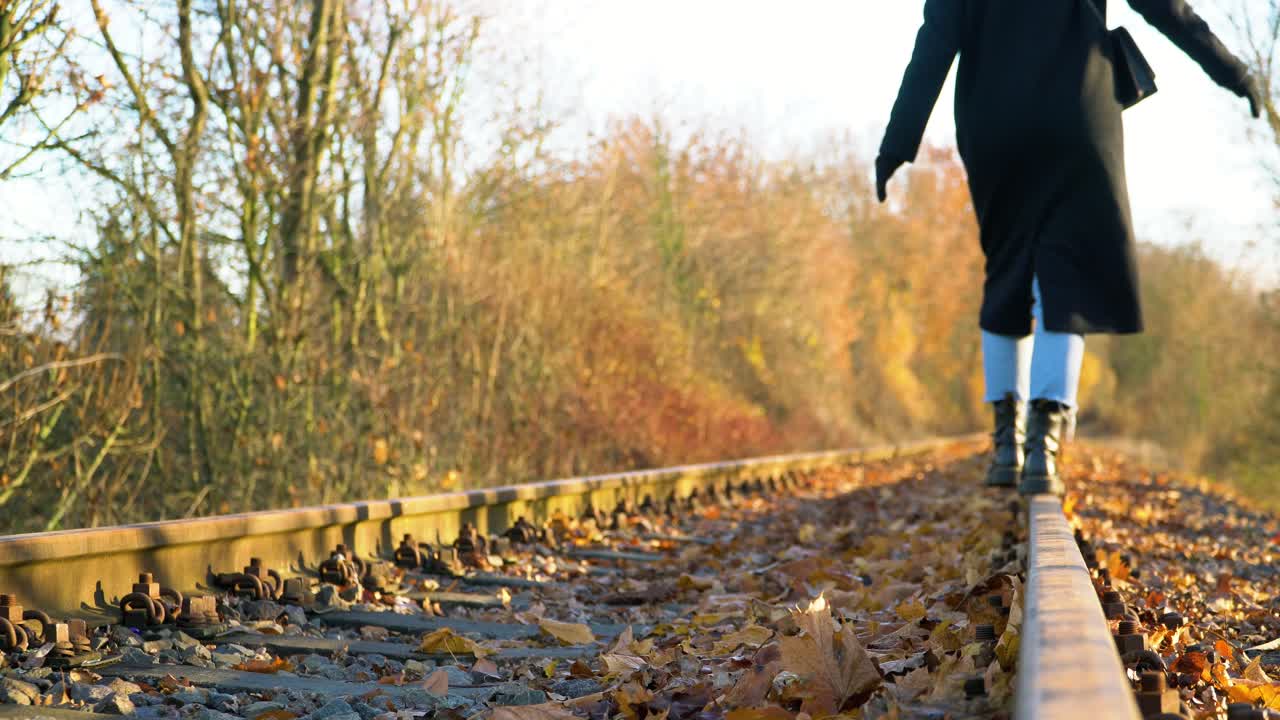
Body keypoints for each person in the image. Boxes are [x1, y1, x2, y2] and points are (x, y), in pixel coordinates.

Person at [877, 0, 1262, 496]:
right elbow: (1169, 10)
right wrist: (1232, 71)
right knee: (1068, 279)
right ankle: (1044, 447)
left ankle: (1005, 446)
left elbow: (933, 46)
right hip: (1078, 116)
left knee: (1007, 271)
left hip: (994, 126)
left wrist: (897, 143)